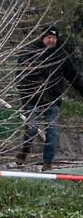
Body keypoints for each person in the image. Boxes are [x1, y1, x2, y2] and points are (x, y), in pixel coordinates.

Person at [16, 26, 83, 170]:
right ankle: (25, 150)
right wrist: (24, 95)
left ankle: (47, 164)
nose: (52, 41)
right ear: (42, 38)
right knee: (32, 129)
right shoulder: (30, 53)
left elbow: (74, 75)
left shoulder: (61, 56)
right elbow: (20, 77)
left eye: (54, 38)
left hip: (53, 100)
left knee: (51, 134)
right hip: (33, 99)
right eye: (49, 38)